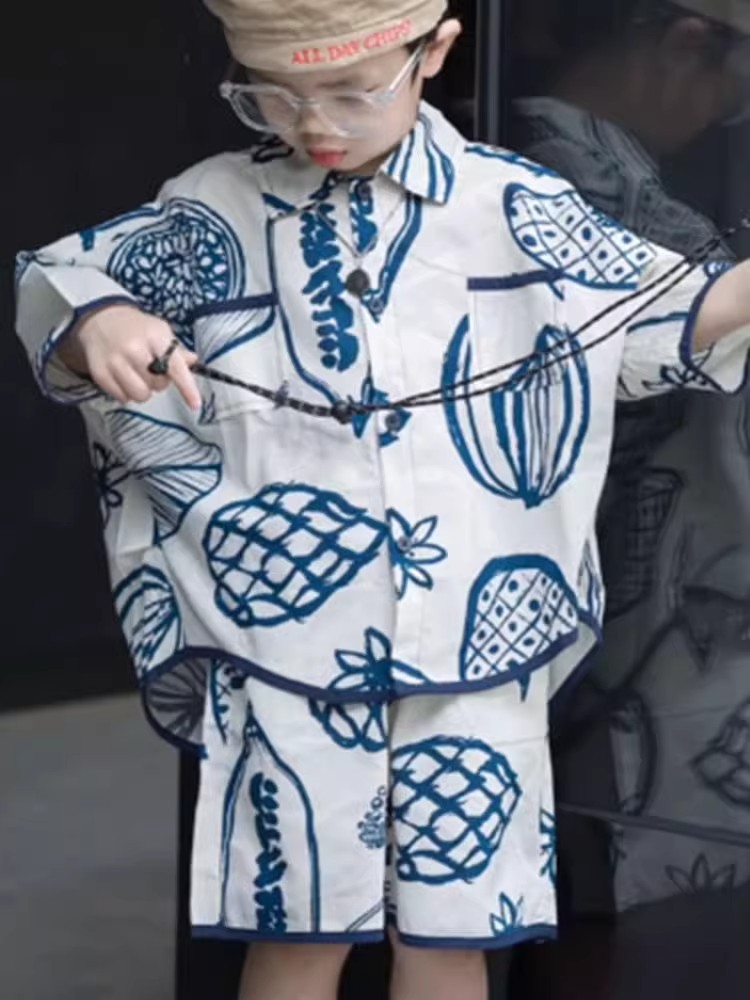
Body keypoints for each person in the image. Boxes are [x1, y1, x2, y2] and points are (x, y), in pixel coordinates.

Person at [13, 2, 750, 998]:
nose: (314, 123)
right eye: (275, 96)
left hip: (481, 639)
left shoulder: (514, 204)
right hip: (285, 645)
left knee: (453, 937)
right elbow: (59, 283)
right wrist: (97, 319)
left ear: (433, 52)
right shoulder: (213, 206)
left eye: (351, 93)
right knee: (298, 932)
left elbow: (659, 317)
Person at [512, 0, 750, 925]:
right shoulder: (575, 176)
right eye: (737, 92)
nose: (729, 118)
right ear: (689, 48)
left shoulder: (553, 162)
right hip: (637, 596)